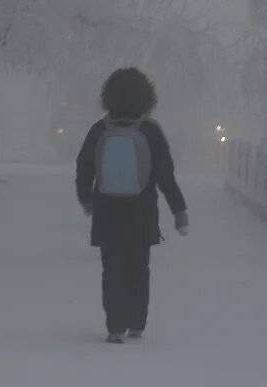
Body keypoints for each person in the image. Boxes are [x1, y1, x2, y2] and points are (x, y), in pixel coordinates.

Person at [75, 67, 189, 344]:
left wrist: (86, 199)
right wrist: (179, 210)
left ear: (108, 96)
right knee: (139, 268)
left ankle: (115, 327)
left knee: (112, 269)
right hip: (142, 212)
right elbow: (165, 174)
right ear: (146, 98)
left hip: (107, 212)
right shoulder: (149, 130)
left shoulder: (99, 129)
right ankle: (137, 323)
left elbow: (84, 167)